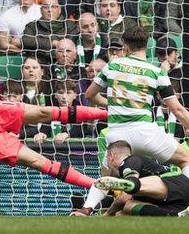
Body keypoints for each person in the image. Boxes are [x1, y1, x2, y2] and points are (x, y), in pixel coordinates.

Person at [75, 25, 189, 215]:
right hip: (146, 132)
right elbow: (176, 108)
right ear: (147, 46)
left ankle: (85, 209)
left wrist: (111, 105)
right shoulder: (156, 72)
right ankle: (182, 206)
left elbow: (90, 95)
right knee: (185, 160)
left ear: (125, 47)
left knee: (106, 176)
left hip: (118, 135)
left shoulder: (111, 66)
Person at [94, 140, 189, 217]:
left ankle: (132, 184)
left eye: (106, 157)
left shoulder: (131, 160)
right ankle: (175, 215)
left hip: (175, 183)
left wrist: (108, 213)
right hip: (175, 201)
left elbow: (124, 198)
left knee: (127, 194)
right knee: (126, 208)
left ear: (111, 156)